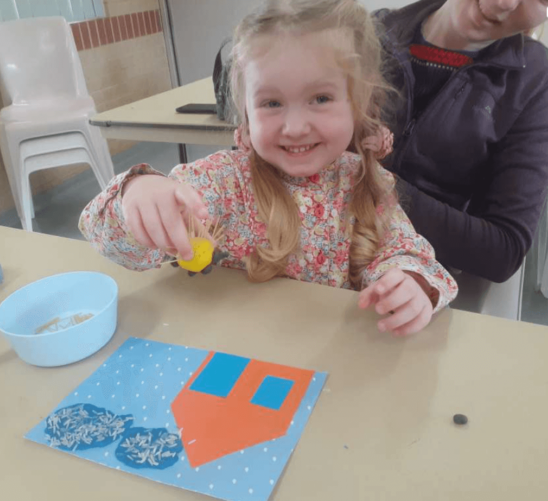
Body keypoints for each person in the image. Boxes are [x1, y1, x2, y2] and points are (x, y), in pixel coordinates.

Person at [79, 0, 458, 336]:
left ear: (358, 103)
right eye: (271, 103)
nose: (294, 127)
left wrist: (409, 284)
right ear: (245, 113)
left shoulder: (369, 183)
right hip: (233, 357)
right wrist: (138, 195)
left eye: (320, 98)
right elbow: (124, 249)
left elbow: (407, 254)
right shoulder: (224, 180)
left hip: (332, 361)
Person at [375, 0, 548, 284]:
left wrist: (374, 188)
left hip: (416, 285)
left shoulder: (535, 78)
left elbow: (503, 250)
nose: (504, 3)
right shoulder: (362, 35)